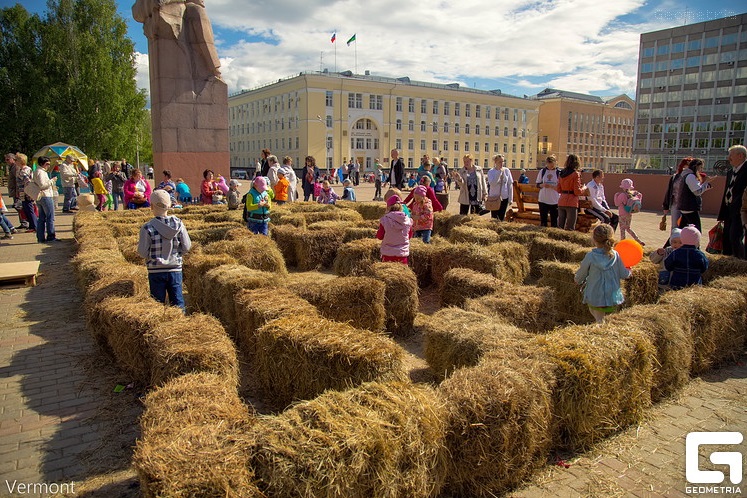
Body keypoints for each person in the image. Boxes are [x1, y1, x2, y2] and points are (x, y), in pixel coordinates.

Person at [137, 190, 191, 311]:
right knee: (178, 301)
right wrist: (177, 254)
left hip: (155, 270)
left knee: (157, 304)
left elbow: (142, 252)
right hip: (175, 268)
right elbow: (187, 246)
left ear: (151, 206)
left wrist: (150, 256)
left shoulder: (147, 227)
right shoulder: (179, 224)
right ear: (170, 205)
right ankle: (180, 323)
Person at [574, 224, 631, 323]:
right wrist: (629, 271)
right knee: (608, 319)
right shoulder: (615, 255)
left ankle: (600, 326)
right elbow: (624, 274)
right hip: (613, 297)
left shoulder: (590, 256)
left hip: (595, 296)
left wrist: (577, 280)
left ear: (594, 239)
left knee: (598, 318)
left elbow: (581, 274)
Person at [717, 145, 747, 259]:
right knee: (726, 238)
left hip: (741, 211)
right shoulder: (730, 172)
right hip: (729, 210)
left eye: (731, 155)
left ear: (741, 156)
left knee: (735, 237)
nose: (729, 158)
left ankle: (740, 262)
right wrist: (722, 214)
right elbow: (726, 192)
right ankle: (728, 262)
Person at [664, 225, 708, 290]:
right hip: (694, 285)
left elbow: (668, 265)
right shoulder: (700, 255)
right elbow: (704, 268)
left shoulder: (675, 253)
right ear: (697, 241)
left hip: (677, 284)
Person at [675, 158, 712, 232]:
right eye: (701, 167)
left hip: (687, 207)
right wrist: (705, 183)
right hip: (690, 207)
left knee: (681, 231)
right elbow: (697, 191)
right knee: (696, 232)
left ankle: (671, 242)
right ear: (696, 167)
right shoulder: (690, 176)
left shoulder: (687, 175)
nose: (701, 170)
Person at [376, 195, 412, 264]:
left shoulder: (385, 220)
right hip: (402, 253)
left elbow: (380, 236)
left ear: (388, 207)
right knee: (402, 273)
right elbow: (409, 236)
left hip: (388, 253)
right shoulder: (407, 221)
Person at [556, 154, 588, 230]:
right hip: (571, 202)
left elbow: (558, 189)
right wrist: (584, 188)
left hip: (562, 200)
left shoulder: (561, 173)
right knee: (570, 227)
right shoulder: (576, 174)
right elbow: (577, 192)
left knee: (560, 226)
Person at [30, 157, 58, 243]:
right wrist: (52, 181)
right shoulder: (41, 172)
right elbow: (42, 185)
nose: (48, 166)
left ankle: (40, 237)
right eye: (47, 164)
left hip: (41, 196)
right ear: (42, 164)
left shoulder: (37, 171)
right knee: (50, 217)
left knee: (42, 217)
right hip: (45, 196)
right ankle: (51, 236)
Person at [614, 179, 645, 246]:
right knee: (628, 228)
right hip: (629, 213)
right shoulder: (634, 194)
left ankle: (623, 242)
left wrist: (616, 196)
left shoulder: (622, 195)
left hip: (622, 214)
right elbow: (640, 197)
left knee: (622, 229)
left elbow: (617, 204)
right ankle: (638, 240)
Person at [486, 154, 513, 221]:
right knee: (494, 217)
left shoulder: (507, 171)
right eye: (499, 162)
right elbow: (492, 184)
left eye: (503, 161)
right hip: (494, 198)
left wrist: (510, 198)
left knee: (501, 216)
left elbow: (510, 184)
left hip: (504, 198)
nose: (502, 163)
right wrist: (498, 173)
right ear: (495, 162)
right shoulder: (491, 172)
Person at [15, 154, 38, 231]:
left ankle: (34, 226)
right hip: (22, 192)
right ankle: (32, 225)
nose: (15, 162)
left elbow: (27, 181)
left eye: (16, 160)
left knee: (29, 209)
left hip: (27, 193)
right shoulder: (21, 170)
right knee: (26, 209)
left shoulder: (25, 170)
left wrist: (27, 190)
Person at [536, 155, 560, 227]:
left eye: (552, 165)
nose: (551, 167)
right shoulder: (542, 171)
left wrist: (553, 187)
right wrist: (542, 185)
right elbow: (537, 184)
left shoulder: (559, 172)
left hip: (554, 200)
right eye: (549, 165)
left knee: (554, 221)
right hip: (543, 199)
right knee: (543, 221)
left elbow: (561, 187)